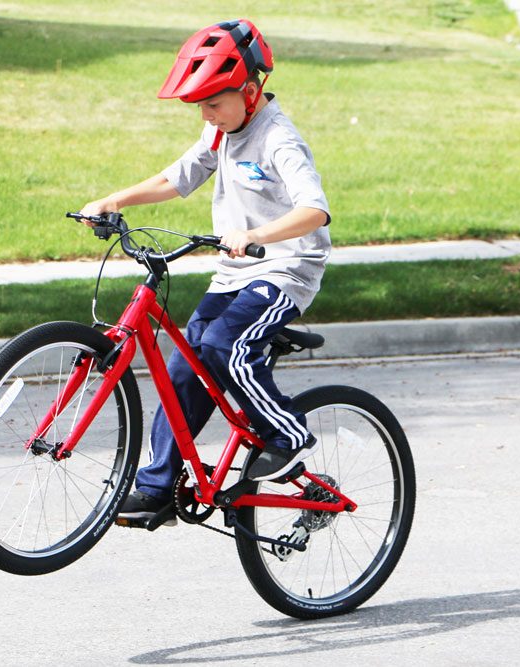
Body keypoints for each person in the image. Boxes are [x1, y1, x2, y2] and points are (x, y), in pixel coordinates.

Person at [78, 18, 331, 524]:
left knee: (222, 346)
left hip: (285, 270)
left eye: (215, 103)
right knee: (185, 368)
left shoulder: (278, 138)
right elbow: (178, 177)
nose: (206, 114)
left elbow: (315, 211)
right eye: (200, 106)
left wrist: (256, 235)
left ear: (252, 90)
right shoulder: (219, 132)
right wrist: (114, 199)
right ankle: (158, 488)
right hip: (236, 272)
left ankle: (289, 434)